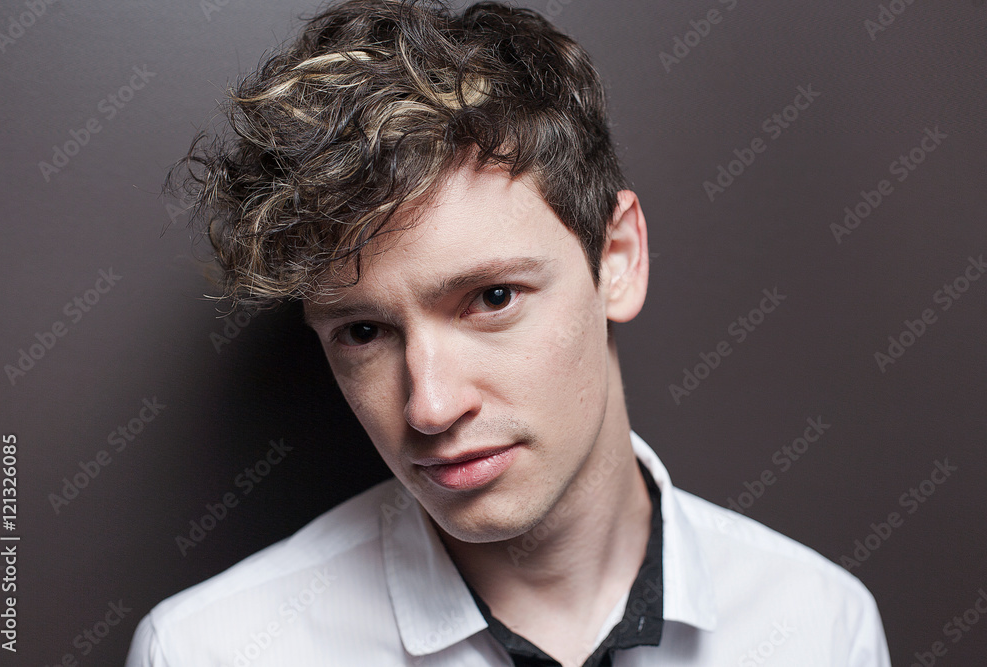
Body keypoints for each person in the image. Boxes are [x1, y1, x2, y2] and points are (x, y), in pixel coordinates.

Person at [126, 1, 891, 665]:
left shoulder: (819, 626)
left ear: (617, 259)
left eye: (492, 297)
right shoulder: (208, 652)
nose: (430, 406)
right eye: (362, 330)